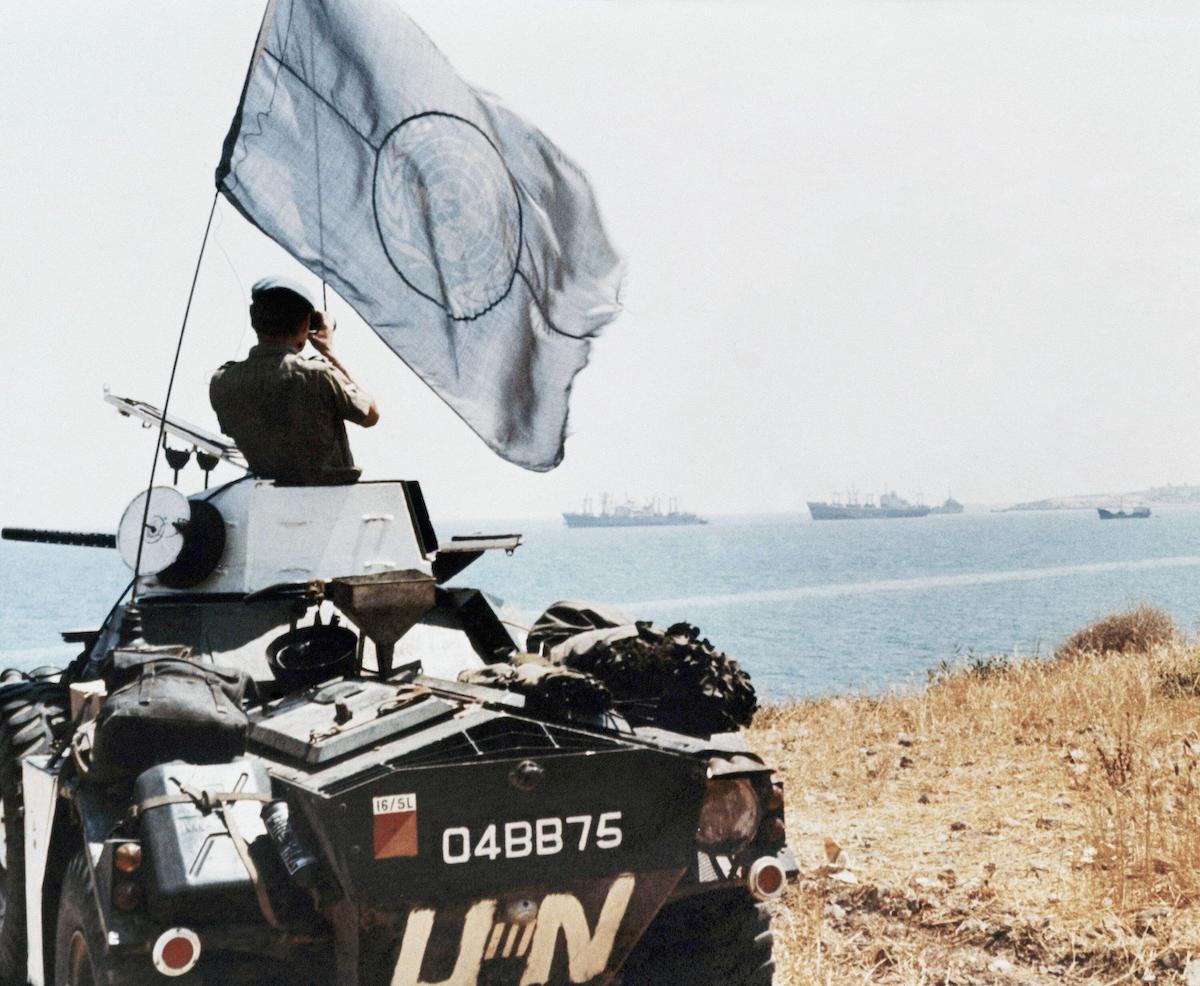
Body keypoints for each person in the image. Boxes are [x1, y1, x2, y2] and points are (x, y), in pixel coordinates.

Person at [210, 276, 380, 485]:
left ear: (253, 319)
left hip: (267, 500)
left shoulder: (223, 381)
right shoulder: (318, 375)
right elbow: (370, 415)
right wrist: (328, 352)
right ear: (305, 324)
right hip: (330, 502)